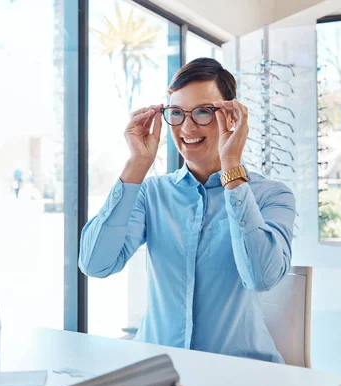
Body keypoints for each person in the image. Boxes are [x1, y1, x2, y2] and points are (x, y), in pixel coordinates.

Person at [79, 58, 296, 363]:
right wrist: (137, 163)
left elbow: (260, 277)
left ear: (231, 118)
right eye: (177, 113)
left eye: (204, 112)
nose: (188, 127)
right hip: (157, 369)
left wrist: (231, 167)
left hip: (241, 375)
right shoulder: (150, 193)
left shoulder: (272, 195)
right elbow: (95, 264)